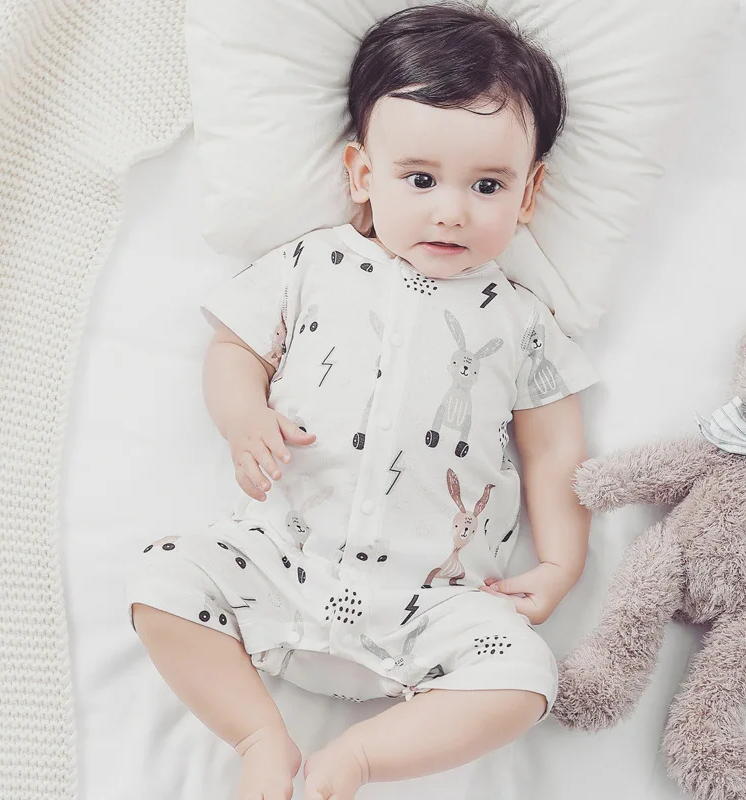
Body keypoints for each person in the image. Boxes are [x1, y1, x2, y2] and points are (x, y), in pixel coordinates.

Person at [126, 3, 598, 799]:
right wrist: (243, 418)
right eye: (420, 179)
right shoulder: (311, 264)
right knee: (162, 580)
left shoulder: (524, 321)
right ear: (361, 175)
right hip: (281, 566)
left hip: (434, 602)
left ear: (529, 194)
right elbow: (236, 348)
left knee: (525, 676)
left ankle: (358, 760)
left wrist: (560, 564)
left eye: (487, 185)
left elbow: (554, 449)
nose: (451, 209)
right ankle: (258, 736)